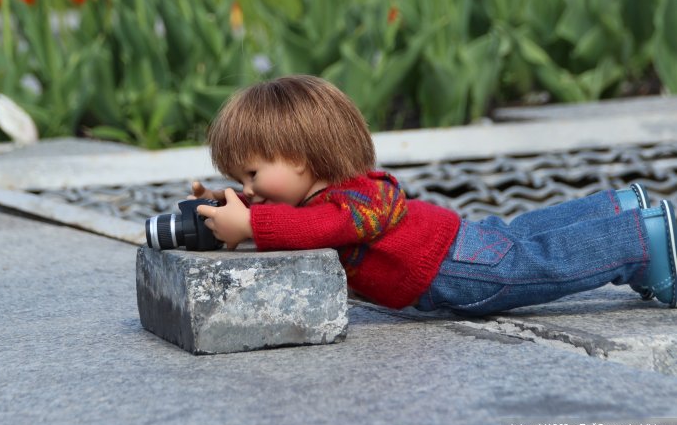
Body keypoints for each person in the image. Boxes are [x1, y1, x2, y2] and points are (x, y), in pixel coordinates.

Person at [191, 75, 677, 315]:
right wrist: (232, 205)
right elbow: (296, 216)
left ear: (298, 157)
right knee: (523, 236)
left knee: (536, 264)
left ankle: (640, 243)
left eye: (252, 174)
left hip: (450, 270)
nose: (249, 189)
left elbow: (322, 229)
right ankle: (617, 209)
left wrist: (252, 226)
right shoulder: (333, 193)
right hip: (452, 245)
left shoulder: (346, 204)